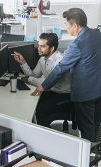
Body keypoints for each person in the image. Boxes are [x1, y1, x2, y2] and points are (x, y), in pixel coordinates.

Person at [31, 8, 101, 142]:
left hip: (85, 94)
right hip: (98, 90)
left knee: (86, 130)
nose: (65, 28)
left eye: (66, 25)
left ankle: (87, 158)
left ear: (75, 25)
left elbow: (61, 68)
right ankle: (95, 153)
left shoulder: (77, 44)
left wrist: (43, 86)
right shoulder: (97, 34)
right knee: (95, 125)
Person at [12, 33, 71, 127]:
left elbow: (47, 83)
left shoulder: (59, 61)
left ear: (51, 48)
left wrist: (29, 79)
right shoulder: (42, 59)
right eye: (39, 45)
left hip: (63, 95)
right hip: (51, 91)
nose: (38, 48)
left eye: (42, 46)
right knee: (30, 103)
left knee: (40, 110)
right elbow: (34, 75)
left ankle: (43, 136)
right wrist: (23, 62)